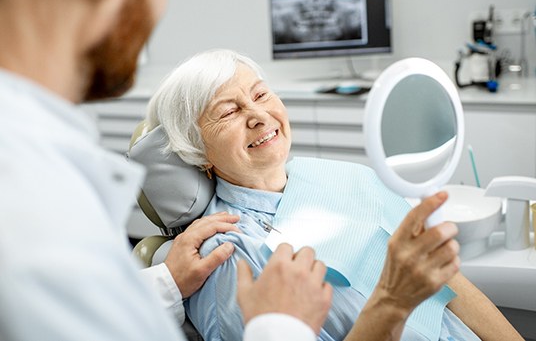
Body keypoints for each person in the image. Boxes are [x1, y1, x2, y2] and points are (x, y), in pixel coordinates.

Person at [0, 0, 330, 340]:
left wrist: (168, 282)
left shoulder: (38, 176)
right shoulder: (31, 208)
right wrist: (282, 326)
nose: (258, 116)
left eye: (260, 95)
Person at [147, 48, 523, 341]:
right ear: (198, 151)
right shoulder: (227, 255)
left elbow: (449, 284)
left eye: (261, 94)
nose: (258, 114)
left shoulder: (343, 175)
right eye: (228, 112)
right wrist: (392, 301)